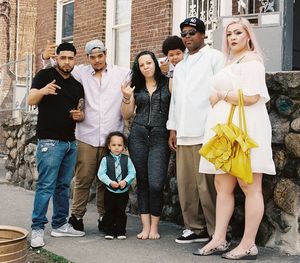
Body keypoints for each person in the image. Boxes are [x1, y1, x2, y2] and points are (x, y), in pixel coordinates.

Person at [195, 18, 276, 259]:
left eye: (238, 32)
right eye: (229, 33)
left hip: (245, 130)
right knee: (223, 186)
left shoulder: (252, 62)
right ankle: (219, 239)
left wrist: (220, 94)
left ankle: (249, 244)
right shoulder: (232, 61)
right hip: (226, 131)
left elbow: (252, 97)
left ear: (248, 35)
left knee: (250, 186)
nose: (232, 37)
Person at [42, 39, 131, 232]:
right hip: (86, 136)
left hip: (111, 138)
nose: (97, 60)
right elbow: (57, 70)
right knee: (83, 179)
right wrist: (45, 57)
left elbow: (145, 71)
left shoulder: (121, 73)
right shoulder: (79, 71)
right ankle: (76, 217)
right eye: (93, 57)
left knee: (105, 181)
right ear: (88, 58)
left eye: (100, 56)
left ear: (106, 54)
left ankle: (103, 217)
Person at [167, 17, 224, 244]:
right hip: (183, 132)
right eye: (184, 34)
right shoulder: (180, 66)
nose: (188, 37)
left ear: (203, 35)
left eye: (192, 33)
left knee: (208, 186)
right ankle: (194, 227)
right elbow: (176, 100)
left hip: (207, 131)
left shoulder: (215, 58)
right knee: (187, 185)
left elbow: (222, 91)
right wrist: (172, 128)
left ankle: (217, 231)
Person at [28, 42, 85, 248]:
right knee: (45, 186)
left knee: (62, 187)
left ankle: (60, 224)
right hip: (49, 142)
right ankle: (37, 229)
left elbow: (80, 110)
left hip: (70, 143)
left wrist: (80, 116)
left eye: (70, 58)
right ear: (57, 58)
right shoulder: (45, 75)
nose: (67, 61)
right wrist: (43, 90)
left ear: (74, 60)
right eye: (63, 57)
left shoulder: (77, 85)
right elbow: (30, 99)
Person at [121, 51, 171, 240]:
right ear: (138, 68)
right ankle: (146, 227)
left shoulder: (168, 83)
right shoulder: (136, 86)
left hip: (160, 135)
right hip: (139, 135)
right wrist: (126, 97)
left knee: (156, 183)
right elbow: (126, 114)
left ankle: (155, 227)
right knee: (142, 182)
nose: (146, 67)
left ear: (155, 64)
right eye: (142, 65)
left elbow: (175, 108)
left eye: (149, 63)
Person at [97, 131, 136, 240]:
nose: (117, 148)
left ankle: (120, 231)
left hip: (123, 191)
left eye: (120, 145)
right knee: (109, 211)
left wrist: (126, 181)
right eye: (114, 145)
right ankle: (109, 231)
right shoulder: (105, 159)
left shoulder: (127, 159)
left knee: (121, 212)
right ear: (109, 146)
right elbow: (101, 174)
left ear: (124, 146)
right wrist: (109, 182)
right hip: (110, 191)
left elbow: (132, 172)